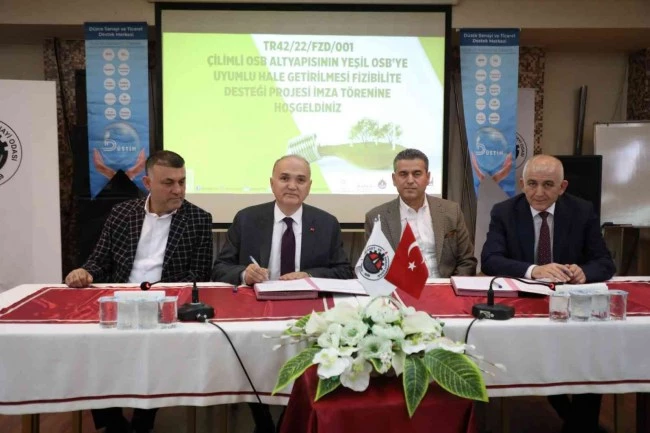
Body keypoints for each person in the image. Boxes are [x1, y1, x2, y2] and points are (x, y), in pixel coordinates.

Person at [65, 150, 213, 433]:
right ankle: (113, 423)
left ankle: (143, 423)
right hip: (120, 301)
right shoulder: (122, 213)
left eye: (182, 182)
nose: (178, 190)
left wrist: (160, 299)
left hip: (165, 307)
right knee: (92, 350)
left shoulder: (199, 219)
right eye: (168, 183)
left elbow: (198, 276)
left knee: (152, 355)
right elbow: (99, 260)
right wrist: (85, 272)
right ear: (147, 183)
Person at [212, 154, 354, 433]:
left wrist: (309, 276)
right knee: (248, 357)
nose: (292, 185)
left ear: (309, 186)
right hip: (257, 312)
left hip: (307, 313)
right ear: (272, 183)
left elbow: (344, 272)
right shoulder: (247, 219)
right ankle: (263, 421)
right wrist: (244, 274)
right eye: (285, 178)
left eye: (300, 180)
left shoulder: (326, 223)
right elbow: (219, 269)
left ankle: (290, 420)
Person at [481, 154, 615, 433]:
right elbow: (490, 260)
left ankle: (581, 425)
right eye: (532, 184)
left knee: (592, 352)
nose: (539, 192)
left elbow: (604, 262)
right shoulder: (504, 212)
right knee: (539, 357)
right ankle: (577, 422)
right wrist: (534, 270)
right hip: (523, 306)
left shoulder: (582, 211)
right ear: (522, 184)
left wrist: (583, 271)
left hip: (570, 306)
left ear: (562, 187)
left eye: (548, 185)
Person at [365, 148, 477, 278]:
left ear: (428, 177)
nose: (410, 180)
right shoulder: (377, 218)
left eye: (417, 174)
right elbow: (374, 268)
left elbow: (467, 261)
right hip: (401, 288)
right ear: (394, 179)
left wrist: (450, 287)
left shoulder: (451, 211)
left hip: (444, 285)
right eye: (403, 174)